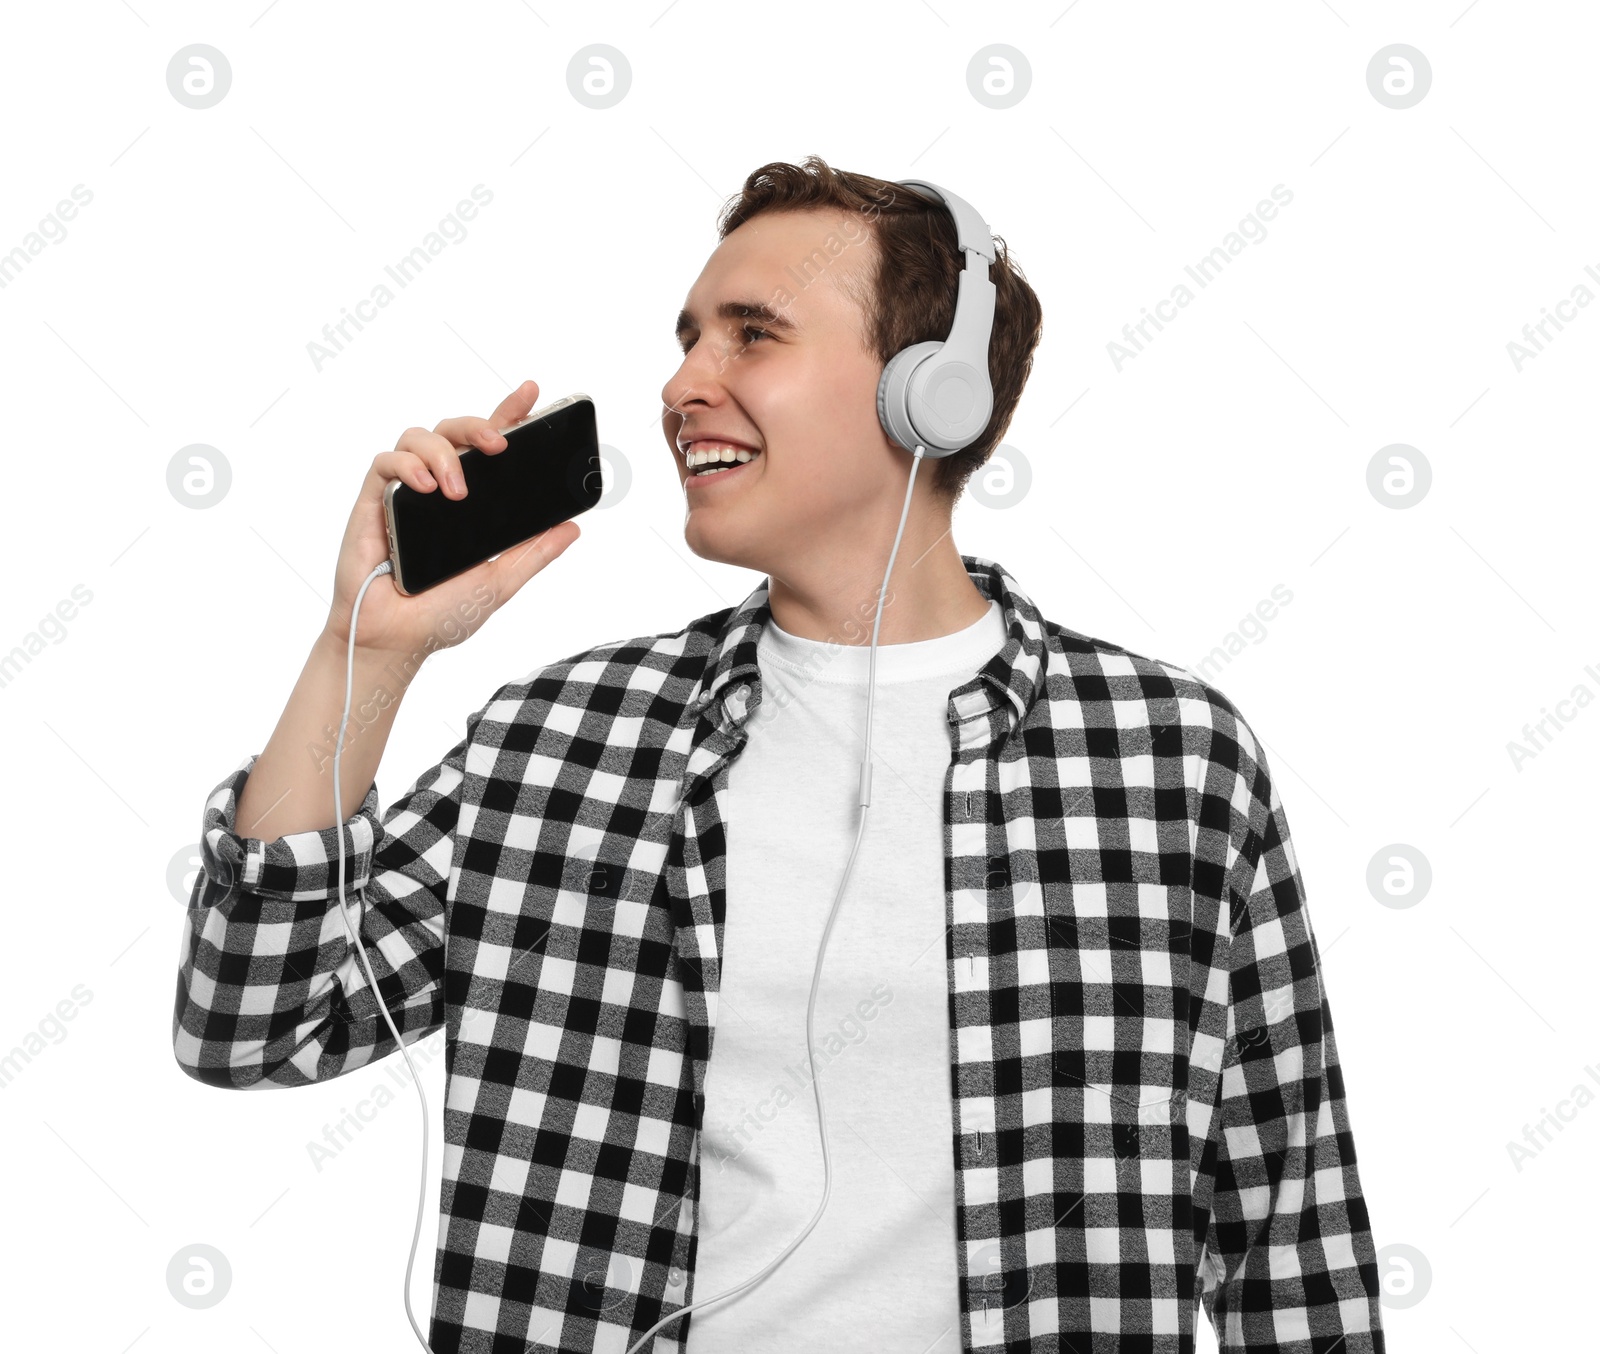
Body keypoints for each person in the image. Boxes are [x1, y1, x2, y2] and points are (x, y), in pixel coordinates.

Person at [172, 156, 1387, 1353]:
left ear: (932, 392)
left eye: (752, 335)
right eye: (690, 335)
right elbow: (251, 1023)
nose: (682, 381)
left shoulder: (1166, 757)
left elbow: (1289, 1227)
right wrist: (363, 651)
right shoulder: (568, 737)